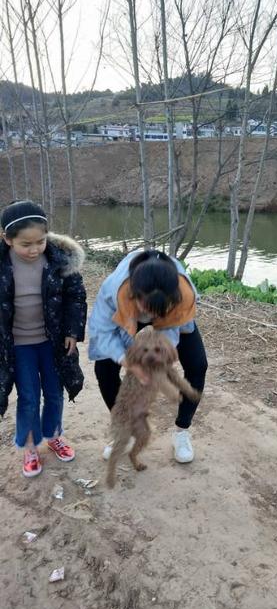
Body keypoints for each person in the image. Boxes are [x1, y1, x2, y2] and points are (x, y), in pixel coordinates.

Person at [88, 249, 207, 463]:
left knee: (198, 365)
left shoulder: (183, 294)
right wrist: (127, 361)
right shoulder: (115, 290)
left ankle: (181, 432)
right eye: (148, 311)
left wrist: (158, 361)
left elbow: (169, 335)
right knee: (104, 368)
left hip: (170, 313)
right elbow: (101, 331)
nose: (151, 317)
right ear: (134, 295)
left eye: (156, 312)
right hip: (130, 309)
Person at [0, 201, 87, 478]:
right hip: (18, 344)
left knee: (54, 391)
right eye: (26, 244)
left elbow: (76, 296)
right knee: (28, 396)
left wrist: (73, 331)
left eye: (40, 241)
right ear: (7, 238)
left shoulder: (59, 260)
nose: (34, 249)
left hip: (52, 342)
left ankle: (53, 435)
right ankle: (29, 446)